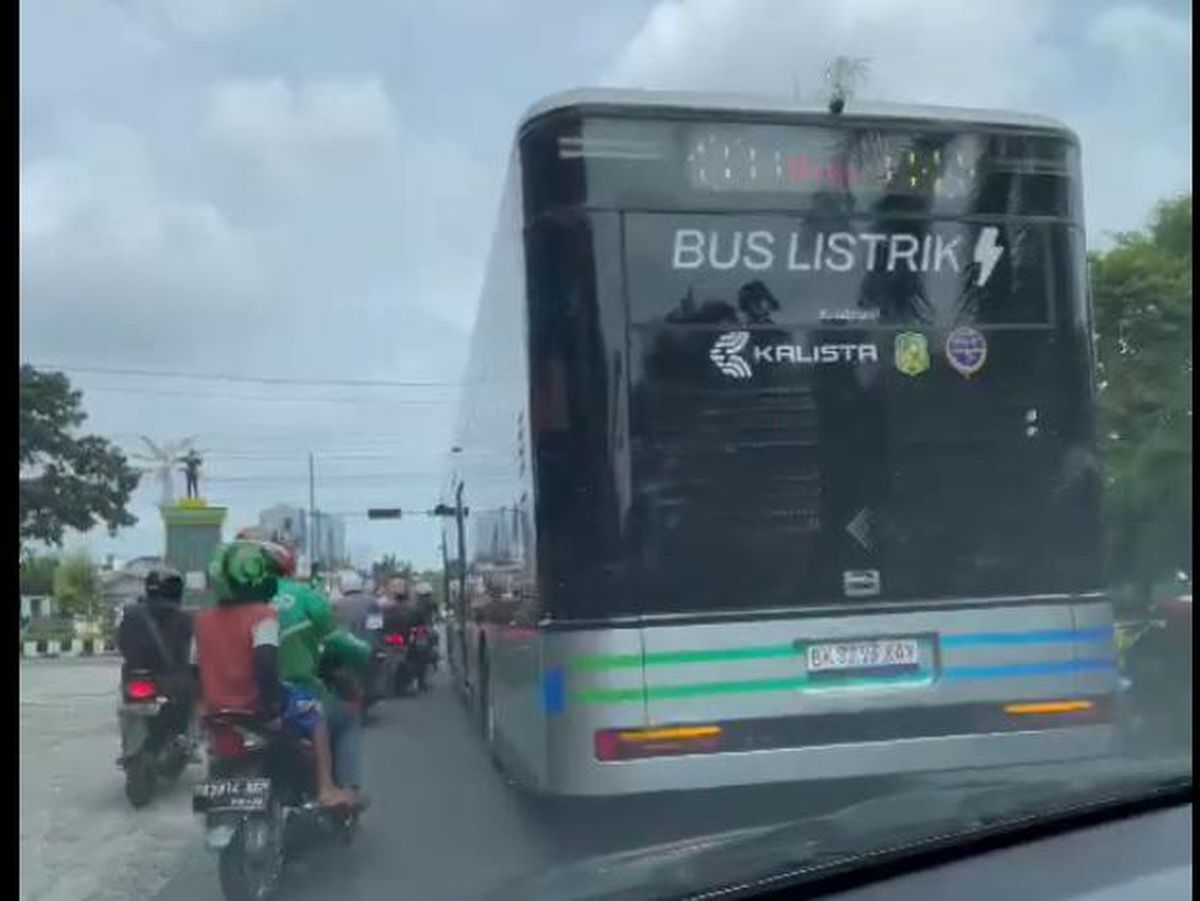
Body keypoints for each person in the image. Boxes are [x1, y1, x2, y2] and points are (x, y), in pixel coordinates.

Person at [192, 539, 356, 808]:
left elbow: (193, 671)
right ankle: (326, 788)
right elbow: (265, 666)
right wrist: (274, 707)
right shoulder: (262, 615)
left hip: (217, 710)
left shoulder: (202, 620)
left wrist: (201, 708)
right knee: (315, 712)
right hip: (255, 706)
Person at [273, 554, 371, 808]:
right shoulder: (305, 598)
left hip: (242, 698)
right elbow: (339, 640)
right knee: (347, 719)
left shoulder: (231, 606)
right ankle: (347, 790)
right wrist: (365, 651)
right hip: (298, 691)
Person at [117, 566, 197, 753]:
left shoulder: (131, 614)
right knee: (193, 695)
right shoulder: (186, 619)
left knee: (125, 710)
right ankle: (183, 739)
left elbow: (121, 643)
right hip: (173, 682)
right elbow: (193, 653)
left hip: (135, 679)